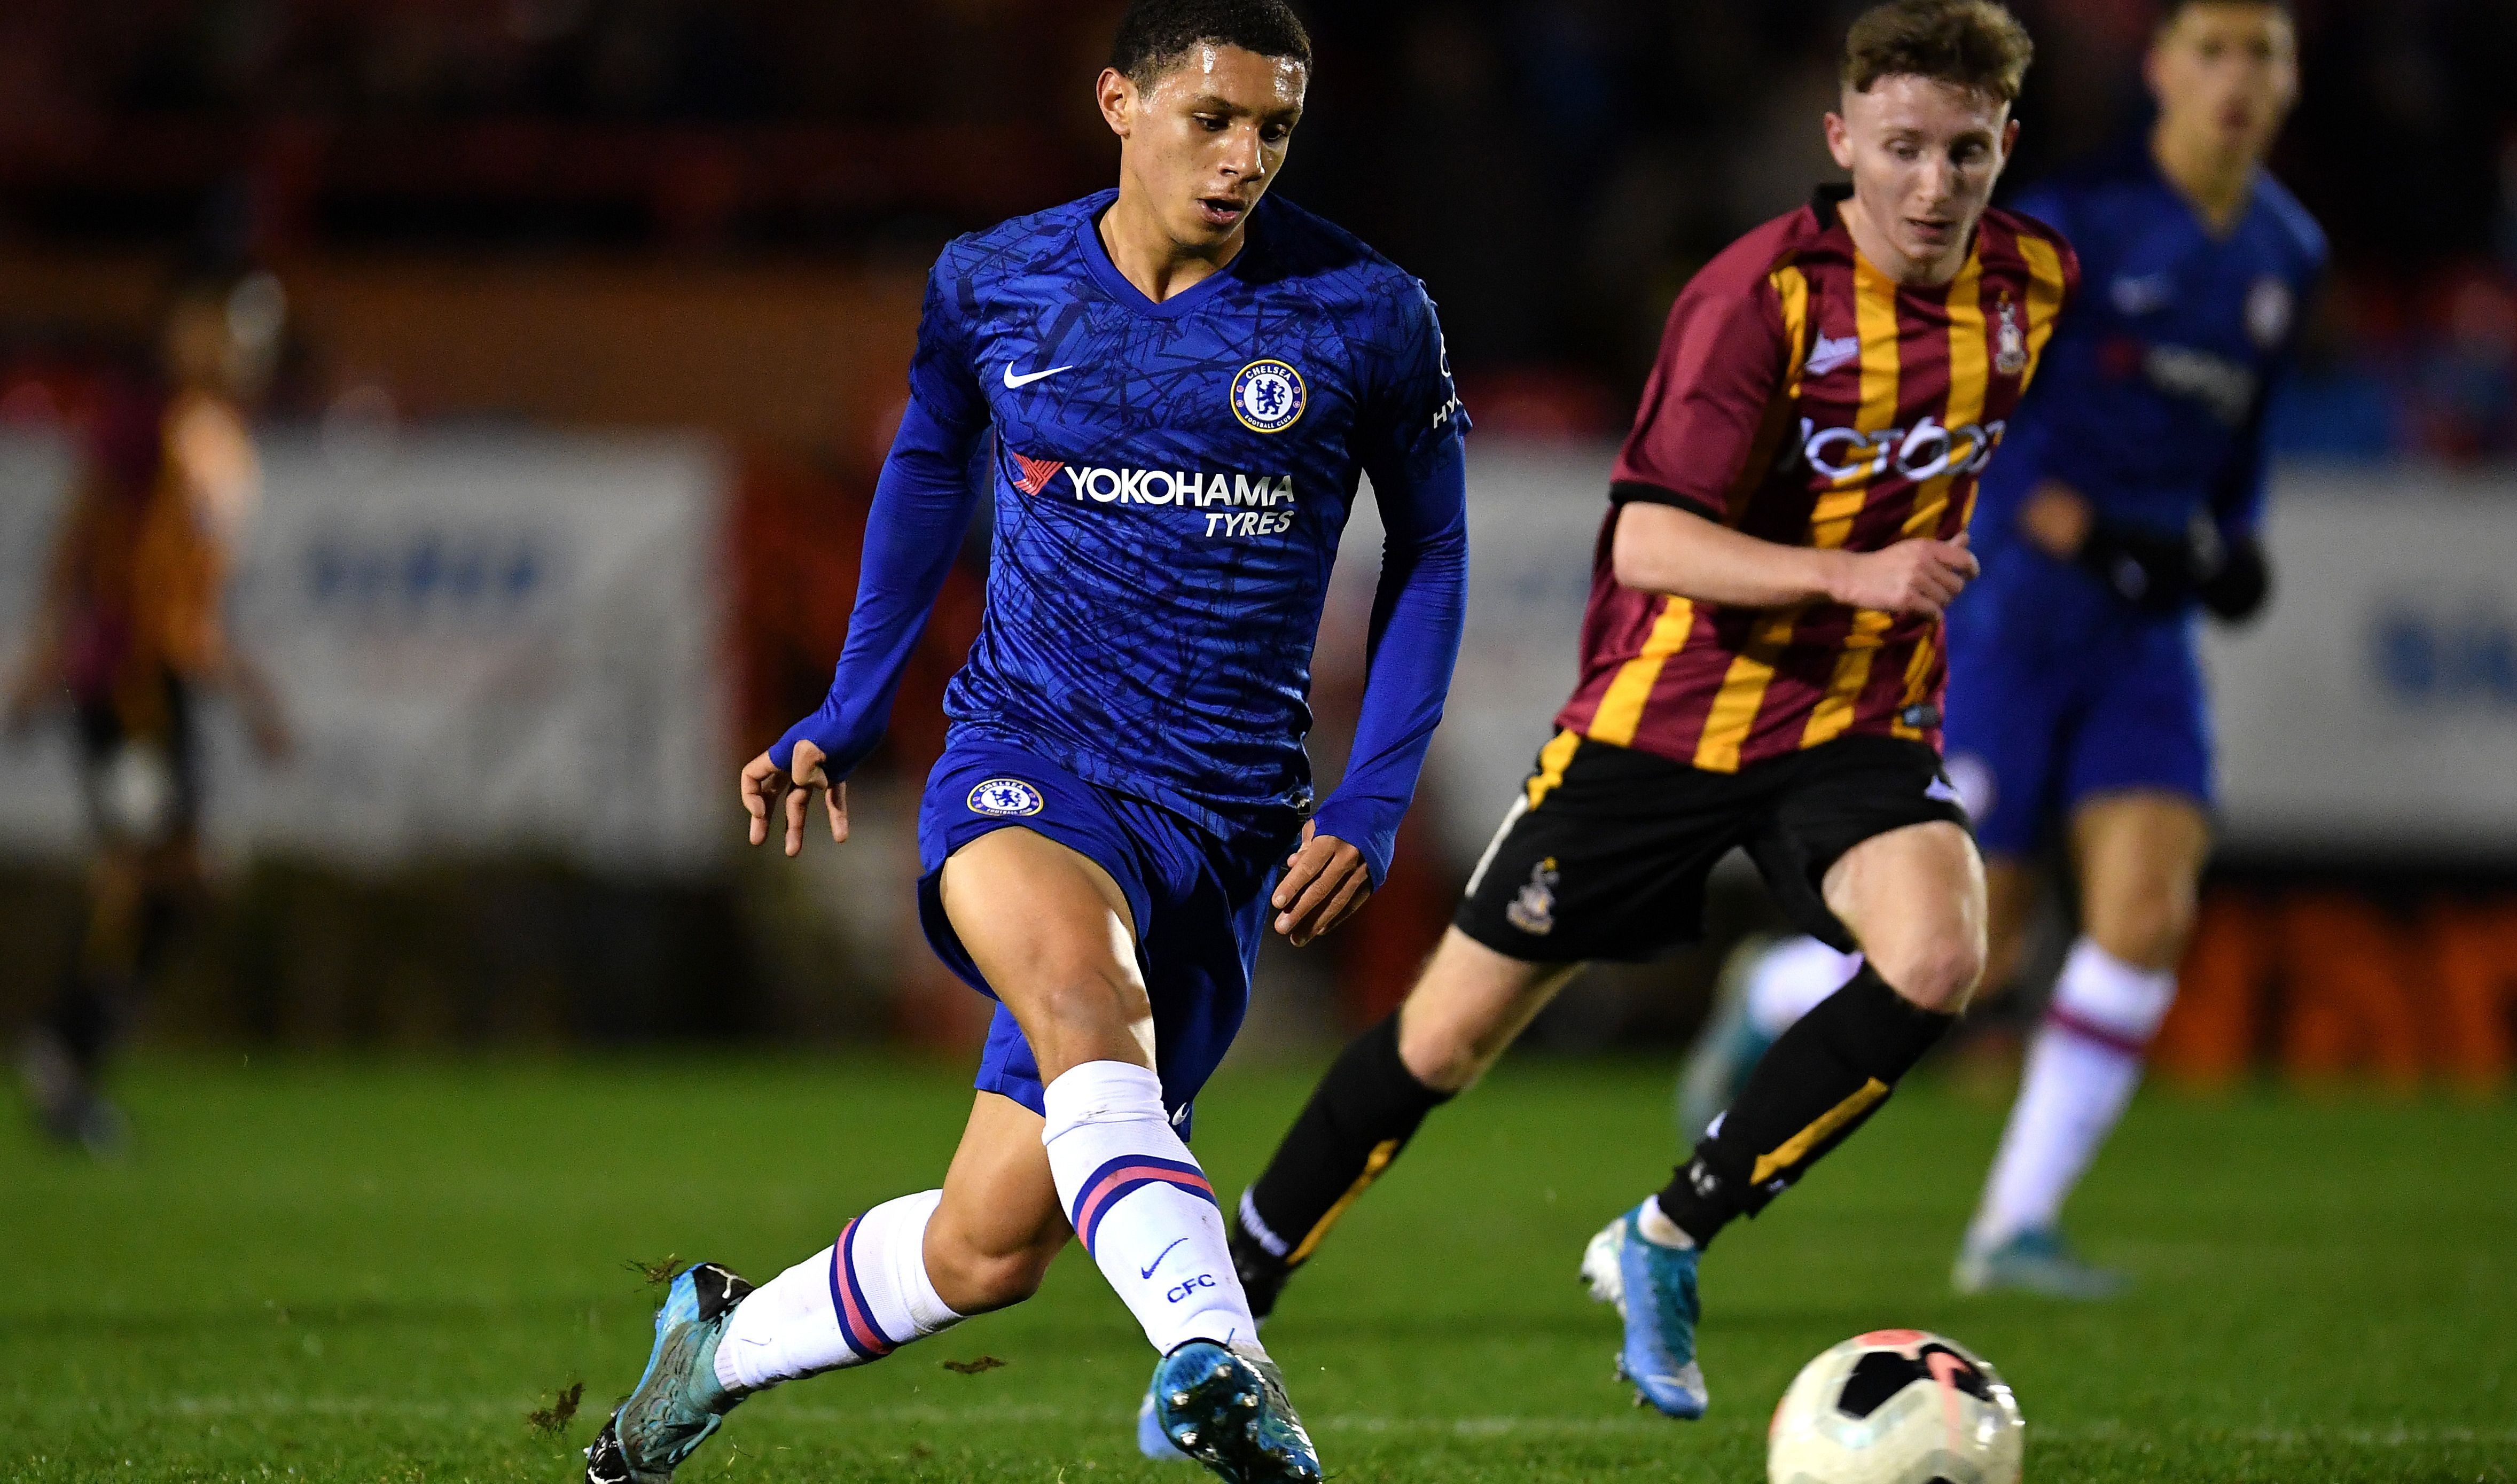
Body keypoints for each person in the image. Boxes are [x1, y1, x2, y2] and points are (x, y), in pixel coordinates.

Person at [581, 2, 1471, 1480]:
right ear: (1117, 100)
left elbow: (1432, 553)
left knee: (990, 1245)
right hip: (1026, 760)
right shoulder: (995, 283)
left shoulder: (1366, 313)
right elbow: (930, 460)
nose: (1243, 157)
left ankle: (715, 1346)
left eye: (1274, 128)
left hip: (1228, 817)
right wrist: (852, 704)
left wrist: (1371, 795)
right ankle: (1222, 1361)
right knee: (1074, 989)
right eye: (1212, 118)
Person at [1188, 0, 2070, 1425]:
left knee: (1939, 952)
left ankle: (1662, 1235)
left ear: (2002, 148)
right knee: (1444, 1043)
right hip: (1660, 725)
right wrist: (1856, 573)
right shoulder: (1753, 297)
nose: (1928, 185)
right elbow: (1654, 541)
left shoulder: (2032, 280)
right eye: (1898, 148)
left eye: (1962, 153)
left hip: (1851, 724)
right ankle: (1234, 1292)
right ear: (1838, 140)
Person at [1678, 0, 2324, 1301]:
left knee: (2149, 908)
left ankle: (2012, 1227)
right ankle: (1773, 993)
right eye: (2213, 49)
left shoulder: (2282, 250)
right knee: (1985, 925)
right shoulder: (2079, 231)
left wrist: (2231, 541)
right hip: (2013, 608)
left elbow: (2240, 443)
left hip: (2140, 633)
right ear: (2162, 71)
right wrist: (2078, 529)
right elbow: (1981, 400)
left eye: (2263, 51)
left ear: (2291, 77)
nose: (2237, 78)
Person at [8, 267, 292, 1155]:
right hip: (122, 684)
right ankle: (64, 1051)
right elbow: (83, 535)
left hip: (160, 687)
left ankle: (70, 1047)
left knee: (180, 872)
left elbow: (189, 604)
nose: (235, 351)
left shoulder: (215, 436)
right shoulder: (144, 420)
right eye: (220, 329)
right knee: (148, 863)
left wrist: (248, 692)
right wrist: (46, 651)